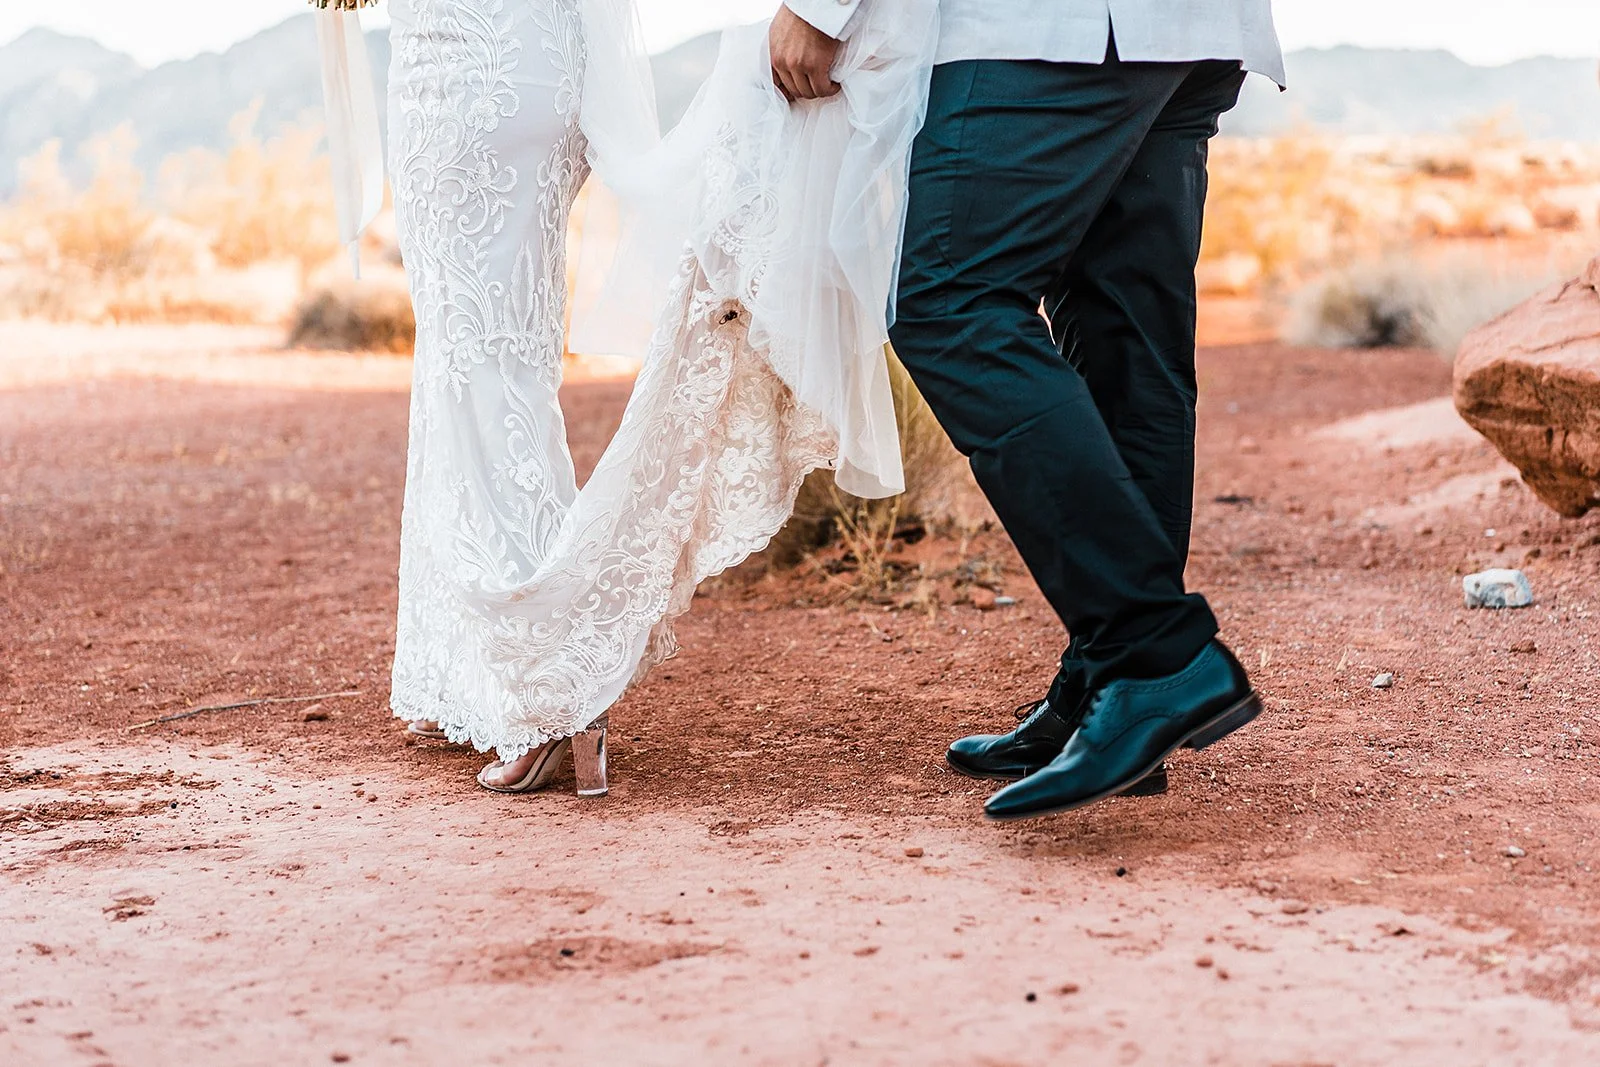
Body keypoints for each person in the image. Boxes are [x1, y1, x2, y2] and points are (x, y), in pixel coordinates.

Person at [313, 0, 935, 794]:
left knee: (481, 368)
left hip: (472, 63)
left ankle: (553, 695)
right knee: (472, 360)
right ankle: (478, 670)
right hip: (507, 56)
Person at [771, 0, 1285, 820]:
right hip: (1194, 29)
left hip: (1050, 29)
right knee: (1128, 347)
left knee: (952, 303)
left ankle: (1148, 655)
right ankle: (1107, 695)